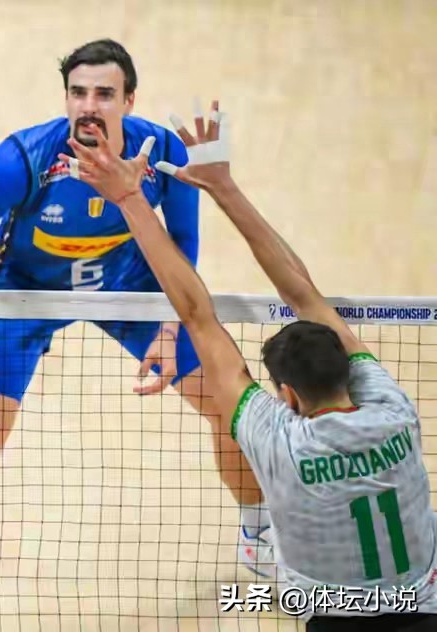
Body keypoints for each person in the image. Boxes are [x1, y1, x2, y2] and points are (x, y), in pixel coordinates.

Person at [65, 101, 437, 629]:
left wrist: (128, 197)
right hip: (421, 608)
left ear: (286, 395)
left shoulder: (280, 441)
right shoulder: (393, 411)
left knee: (265, 597)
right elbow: (305, 295)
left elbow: (197, 316)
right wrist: (226, 188)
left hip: (332, 615)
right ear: (349, 370)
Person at [0, 37, 274, 576]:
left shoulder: (161, 152)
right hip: (27, 293)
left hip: (132, 288)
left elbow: (182, 243)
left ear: (129, 101)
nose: (89, 105)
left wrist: (170, 329)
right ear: (66, 98)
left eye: (104, 93)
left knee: (230, 405)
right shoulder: (24, 159)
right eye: (77, 93)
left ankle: (260, 532)